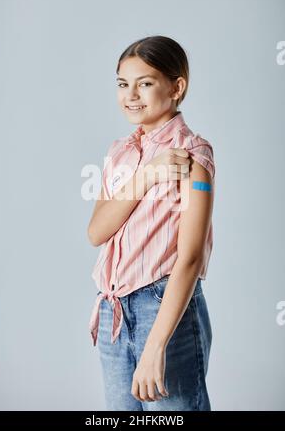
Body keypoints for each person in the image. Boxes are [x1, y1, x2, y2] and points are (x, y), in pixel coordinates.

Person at [88, 35, 215, 411]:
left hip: (162, 306)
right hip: (113, 309)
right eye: (123, 84)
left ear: (177, 87)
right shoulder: (119, 152)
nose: (131, 95)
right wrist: (147, 175)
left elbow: (190, 258)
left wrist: (156, 344)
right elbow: (97, 231)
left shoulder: (194, 154)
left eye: (144, 83)